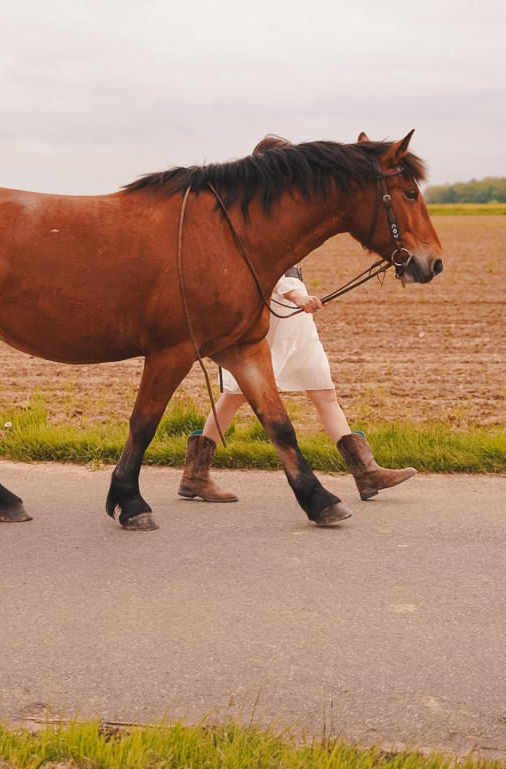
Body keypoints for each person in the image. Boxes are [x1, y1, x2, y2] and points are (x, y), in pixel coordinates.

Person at [178, 135, 417, 504]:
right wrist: (298, 296)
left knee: (324, 391)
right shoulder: (256, 213)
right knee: (235, 396)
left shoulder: (278, 209)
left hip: (294, 322)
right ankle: (195, 474)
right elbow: (265, 271)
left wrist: (299, 299)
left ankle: (366, 473)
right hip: (268, 322)